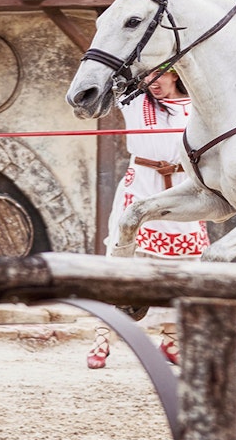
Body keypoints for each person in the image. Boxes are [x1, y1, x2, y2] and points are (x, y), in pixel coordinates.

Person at [87, 67, 209, 369]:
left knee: (178, 268)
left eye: (161, 77)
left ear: (175, 76)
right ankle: (102, 340)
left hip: (181, 188)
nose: (153, 84)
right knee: (121, 263)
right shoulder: (132, 100)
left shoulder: (196, 106)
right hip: (140, 183)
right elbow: (112, 74)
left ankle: (171, 340)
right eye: (149, 78)